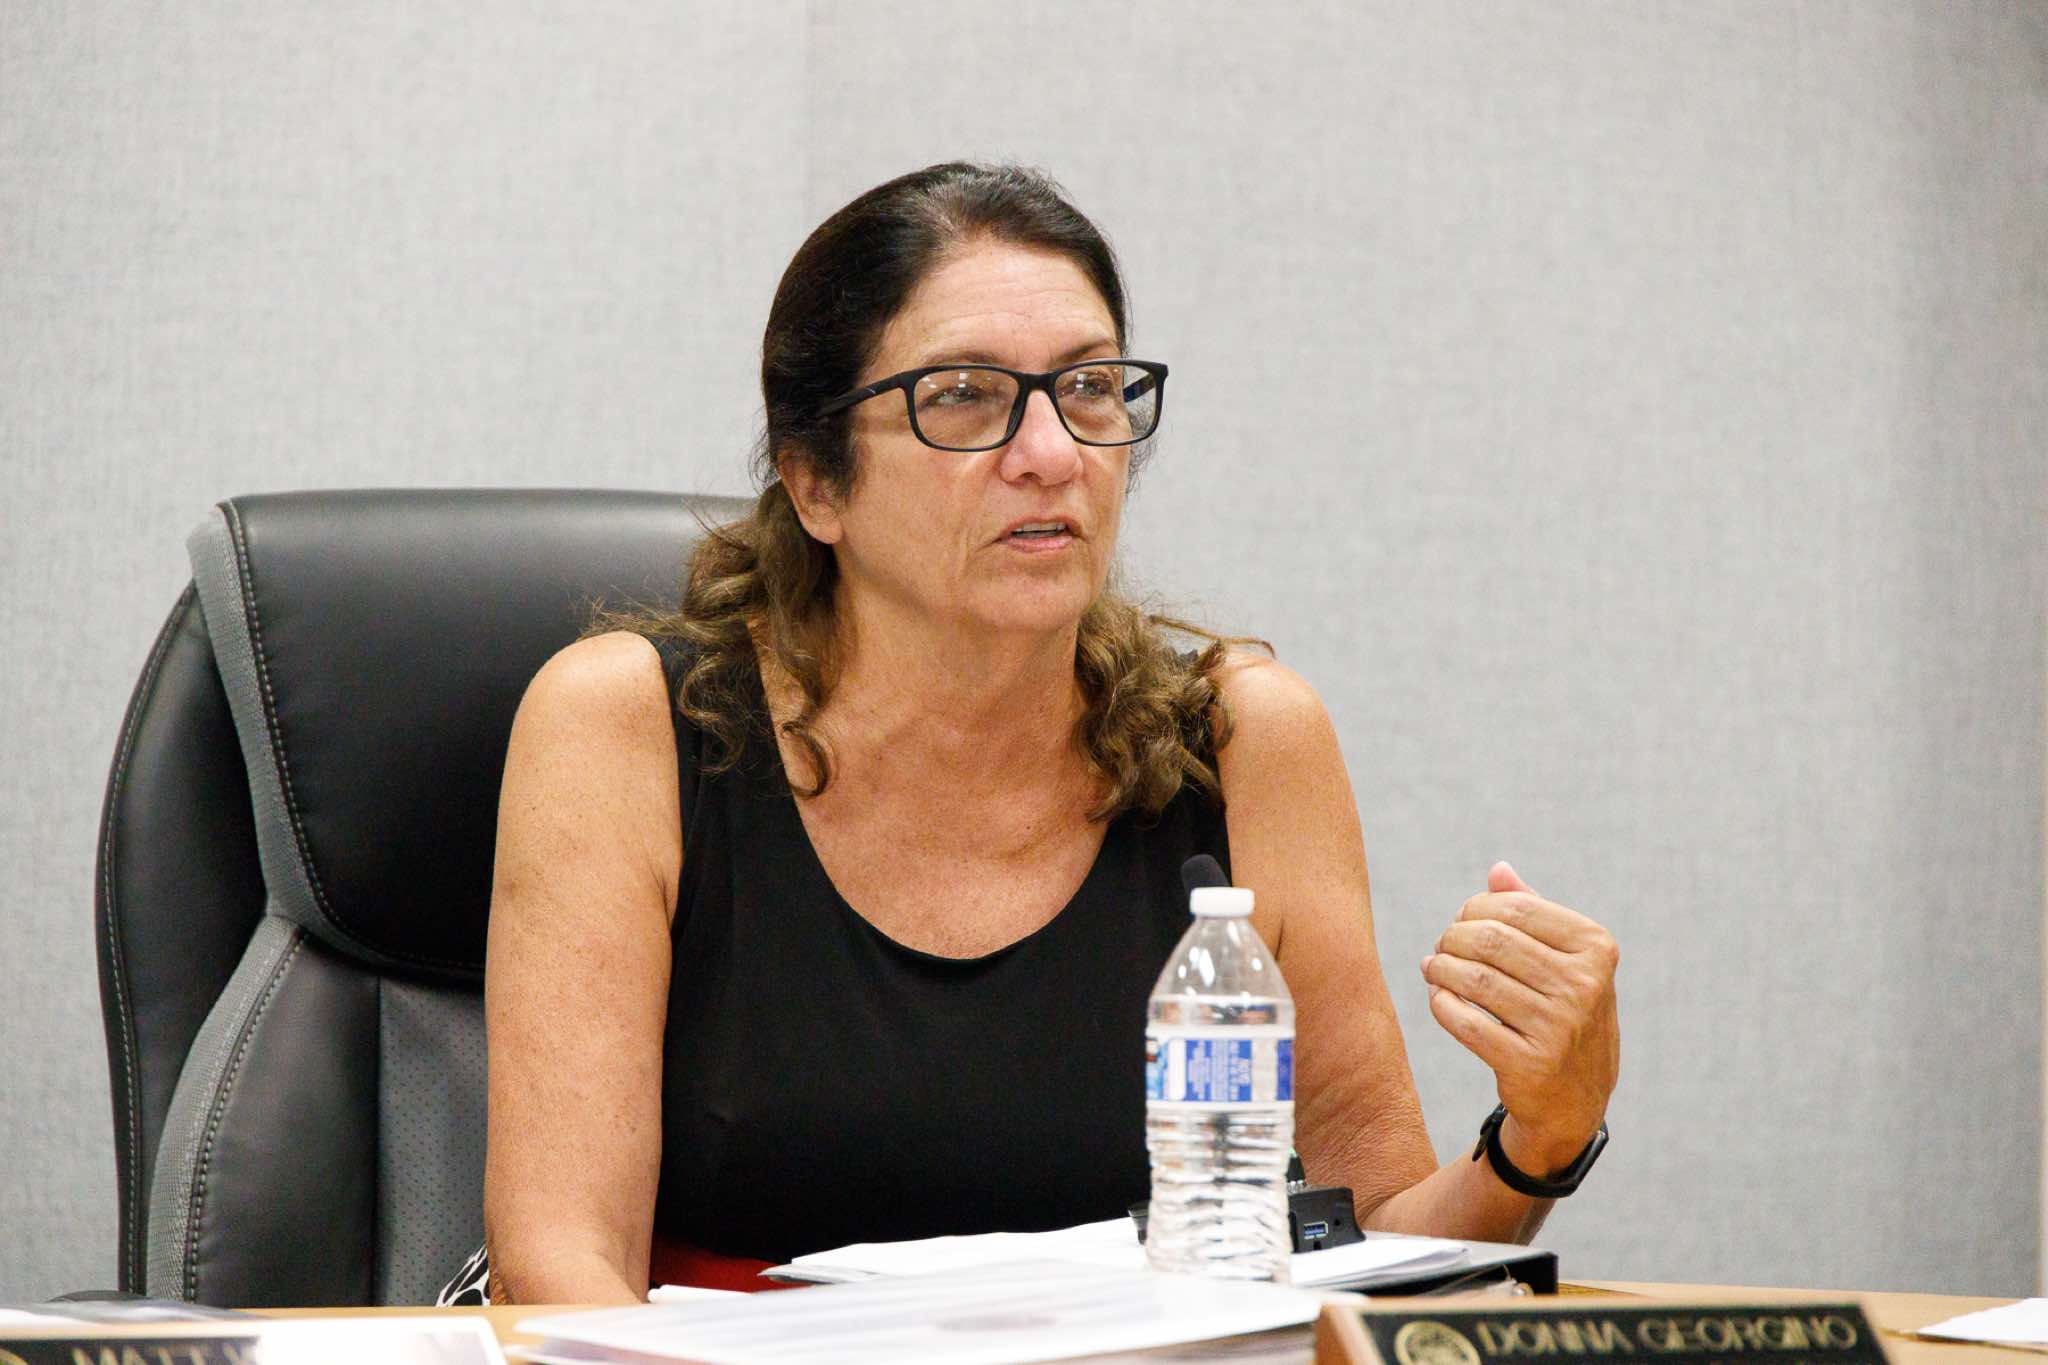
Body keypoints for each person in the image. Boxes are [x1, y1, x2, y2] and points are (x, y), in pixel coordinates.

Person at [474, 163, 1620, 1305]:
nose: (1053, 453)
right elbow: (560, 1266)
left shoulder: (1240, 742)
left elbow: (1372, 1247)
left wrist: (1539, 1134)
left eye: (1088, 389)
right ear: (817, 482)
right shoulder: (626, 730)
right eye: (964, 395)